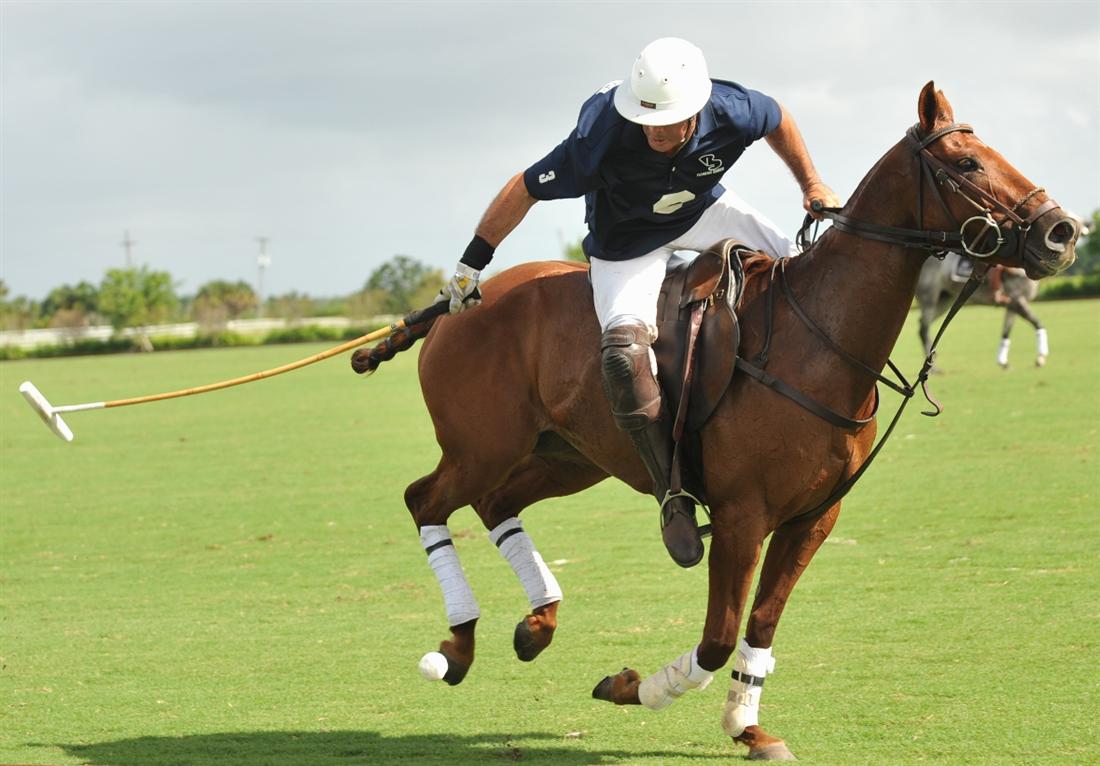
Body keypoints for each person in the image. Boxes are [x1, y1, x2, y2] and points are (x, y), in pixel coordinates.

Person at [436, 37, 840, 568]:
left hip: (702, 211)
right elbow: (524, 187)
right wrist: (470, 267)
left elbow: (778, 118)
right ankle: (672, 494)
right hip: (625, 245)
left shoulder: (731, 108)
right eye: (646, 120)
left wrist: (812, 183)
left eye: (667, 123)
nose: (654, 131)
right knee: (623, 355)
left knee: (808, 274)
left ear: (696, 112)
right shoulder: (601, 138)